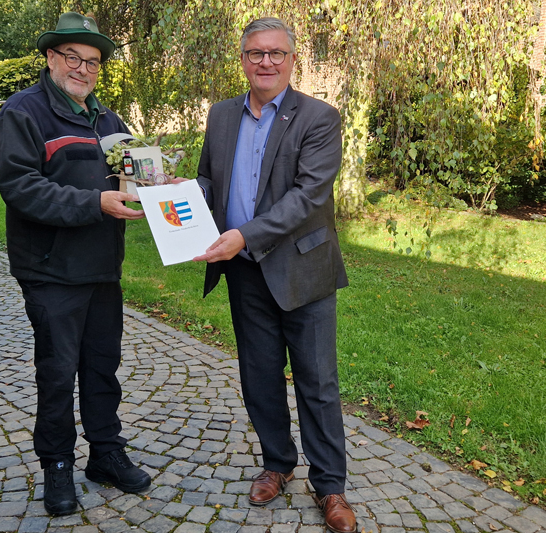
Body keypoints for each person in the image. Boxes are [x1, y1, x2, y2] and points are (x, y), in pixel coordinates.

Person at [194, 17, 355, 533]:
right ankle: (277, 464)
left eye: (276, 54)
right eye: (256, 53)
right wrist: (172, 195)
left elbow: (308, 198)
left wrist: (245, 234)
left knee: (318, 382)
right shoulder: (221, 116)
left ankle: (330, 486)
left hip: (302, 269)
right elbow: (207, 179)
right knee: (258, 375)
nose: (266, 62)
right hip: (243, 273)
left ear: (292, 60)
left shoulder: (318, 117)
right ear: (242, 59)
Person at [0, 12, 150, 516]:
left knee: (103, 367)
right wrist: (95, 204)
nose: (83, 69)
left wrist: (157, 187)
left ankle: (105, 452)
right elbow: (21, 189)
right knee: (58, 372)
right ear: (51, 58)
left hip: (103, 266)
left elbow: (133, 175)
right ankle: (57, 464)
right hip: (51, 269)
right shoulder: (23, 112)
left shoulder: (109, 121)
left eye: (93, 62)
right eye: (73, 58)